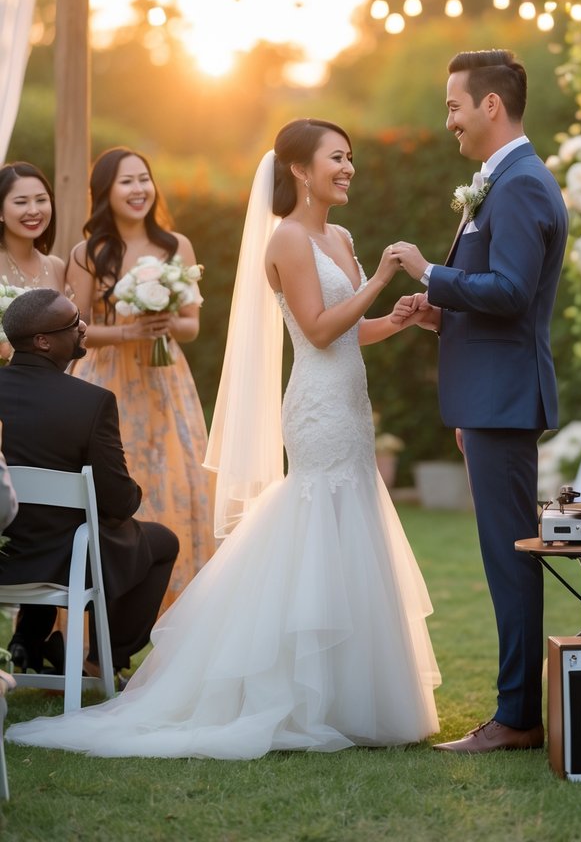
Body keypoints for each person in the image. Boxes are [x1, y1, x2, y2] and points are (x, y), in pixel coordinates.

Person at [8, 119, 440, 758]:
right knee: (314, 520)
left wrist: (393, 320)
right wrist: (380, 281)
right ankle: (294, 688)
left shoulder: (340, 236)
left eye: (350, 158)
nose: (347, 169)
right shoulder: (289, 239)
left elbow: (350, 332)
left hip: (352, 402)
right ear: (300, 169)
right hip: (318, 404)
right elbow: (317, 332)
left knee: (353, 525)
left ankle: (356, 695)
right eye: (336, 159)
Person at [391, 49, 568, 754]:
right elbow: (495, 300)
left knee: (510, 557)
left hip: (502, 399)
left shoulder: (521, 184)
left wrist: (428, 272)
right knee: (506, 555)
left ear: (489, 105)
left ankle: (517, 717)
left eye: (453, 106)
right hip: (487, 398)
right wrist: (443, 315)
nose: (449, 122)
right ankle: (516, 709)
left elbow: (512, 291)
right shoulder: (502, 181)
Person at [0, 288, 178, 677]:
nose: (83, 327)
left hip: (4, 556)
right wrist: (132, 496)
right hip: (64, 561)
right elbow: (118, 502)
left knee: (62, 526)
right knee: (160, 541)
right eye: (72, 323)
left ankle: (30, 642)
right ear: (43, 341)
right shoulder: (91, 402)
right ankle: (103, 661)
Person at [66, 147, 213, 604]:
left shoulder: (176, 246)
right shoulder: (88, 252)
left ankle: (178, 616)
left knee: (174, 479)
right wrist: (130, 331)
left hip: (166, 383)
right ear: (105, 192)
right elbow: (78, 332)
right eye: (126, 181)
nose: (138, 190)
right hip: (106, 382)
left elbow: (192, 325)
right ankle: (106, 626)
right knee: (114, 485)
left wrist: (165, 323)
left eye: (144, 179)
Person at [0, 162, 65, 361]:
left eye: (41, 200)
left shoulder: (57, 266)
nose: (34, 210)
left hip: (48, 385)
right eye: (21, 202)